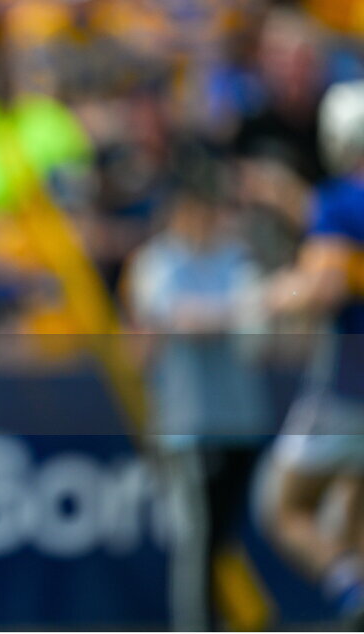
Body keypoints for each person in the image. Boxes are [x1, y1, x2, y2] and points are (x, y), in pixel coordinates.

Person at [127, 188, 272, 630]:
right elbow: (182, 320)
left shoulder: (237, 259)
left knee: (221, 537)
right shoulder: (157, 261)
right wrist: (232, 313)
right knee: (196, 536)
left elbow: (259, 325)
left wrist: (223, 315)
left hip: (241, 420)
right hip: (187, 423)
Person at [264, 79, 364, 630]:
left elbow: (323, 287)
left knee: (282, 505)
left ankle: (349, 587)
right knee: (354, 503)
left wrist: (273, 295)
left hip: (351, 384)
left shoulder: (340, 200)